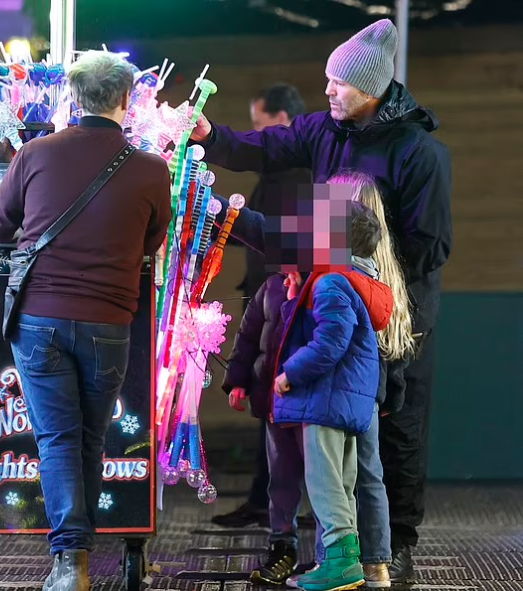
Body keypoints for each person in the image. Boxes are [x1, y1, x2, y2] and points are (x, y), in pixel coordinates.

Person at [191, 19, 452, 582]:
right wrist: (211, 139)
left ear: (373, 86)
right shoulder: (326, 130)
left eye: (339, 82)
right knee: (333, 438)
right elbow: (265, 146)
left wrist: (354, 264)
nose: (328, 89)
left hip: (393, 317)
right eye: (329, 79)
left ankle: (394, 547)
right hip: (337, 299)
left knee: (393, 437)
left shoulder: (418, 154)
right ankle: (346, 551)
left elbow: (430, 248)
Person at [0, 51, 172, 591]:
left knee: (58, 438)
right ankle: (77, 555)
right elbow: (152, 239)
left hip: (38, 320)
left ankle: (71, 565)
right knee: (91, 437)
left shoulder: (35, 153)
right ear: (127, 99)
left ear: (74, 97)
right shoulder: (150, 169)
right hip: (108, 322)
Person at [273, 202, 393, 591]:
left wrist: (291, 373)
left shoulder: (332, 282)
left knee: (324, 482)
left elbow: (329, 342)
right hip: (350, 400)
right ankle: (349, 561)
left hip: (326, 399)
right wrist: (295, 297)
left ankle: (340, 562)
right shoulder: (358, 280)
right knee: (342, 482)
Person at [212, 82, 310, 531]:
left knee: (276, 406)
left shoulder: (293, 178)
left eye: (259, 125)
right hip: (273, 299)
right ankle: (268, 502)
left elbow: (277, 240)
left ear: (283, 121)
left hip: (281, 302)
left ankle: (275, 508)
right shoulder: (288, 177)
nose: (255, 135)